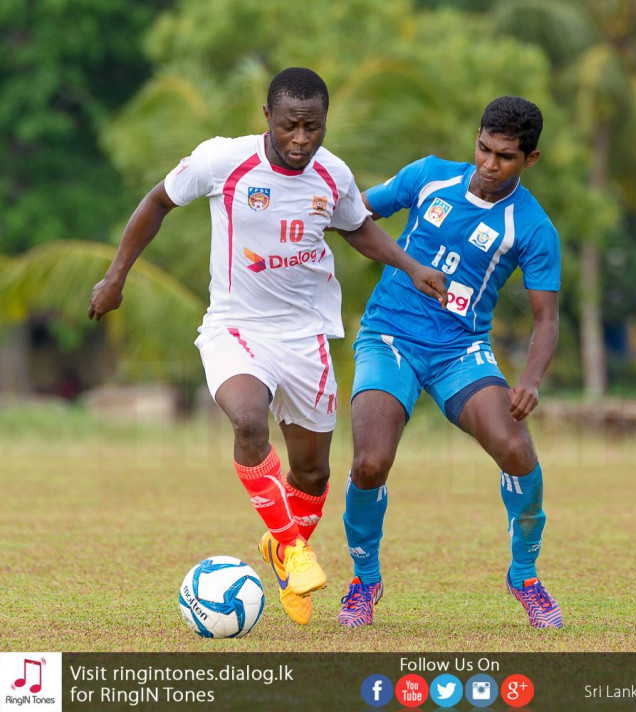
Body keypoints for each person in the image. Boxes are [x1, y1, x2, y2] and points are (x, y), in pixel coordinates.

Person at [87, 67, 447, 627]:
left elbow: (356, 228)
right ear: (267, 119)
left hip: (306, 335)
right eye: (289, 126)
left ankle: (283, 546)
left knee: (312, 475)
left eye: (313, 127)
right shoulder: (222, 161)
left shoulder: (333, 175)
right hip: (236, 326)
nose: (301, 140)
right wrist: (116, 277)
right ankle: (292, 548)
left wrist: (411, 264)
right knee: (248, 421)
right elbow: (157, 202)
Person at [338, 96, 563, 629]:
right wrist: (408, 265)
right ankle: (364, 581)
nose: (489, 164)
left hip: (460, 351)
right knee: (370, 462)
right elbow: (351, 219)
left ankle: (525, 575)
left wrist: (530, 379)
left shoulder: (532, 227)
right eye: (484, 148)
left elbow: (547, 320)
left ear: (530, 160)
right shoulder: (429, 176)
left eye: (505, 157)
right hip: (387, 335)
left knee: (516, 449)